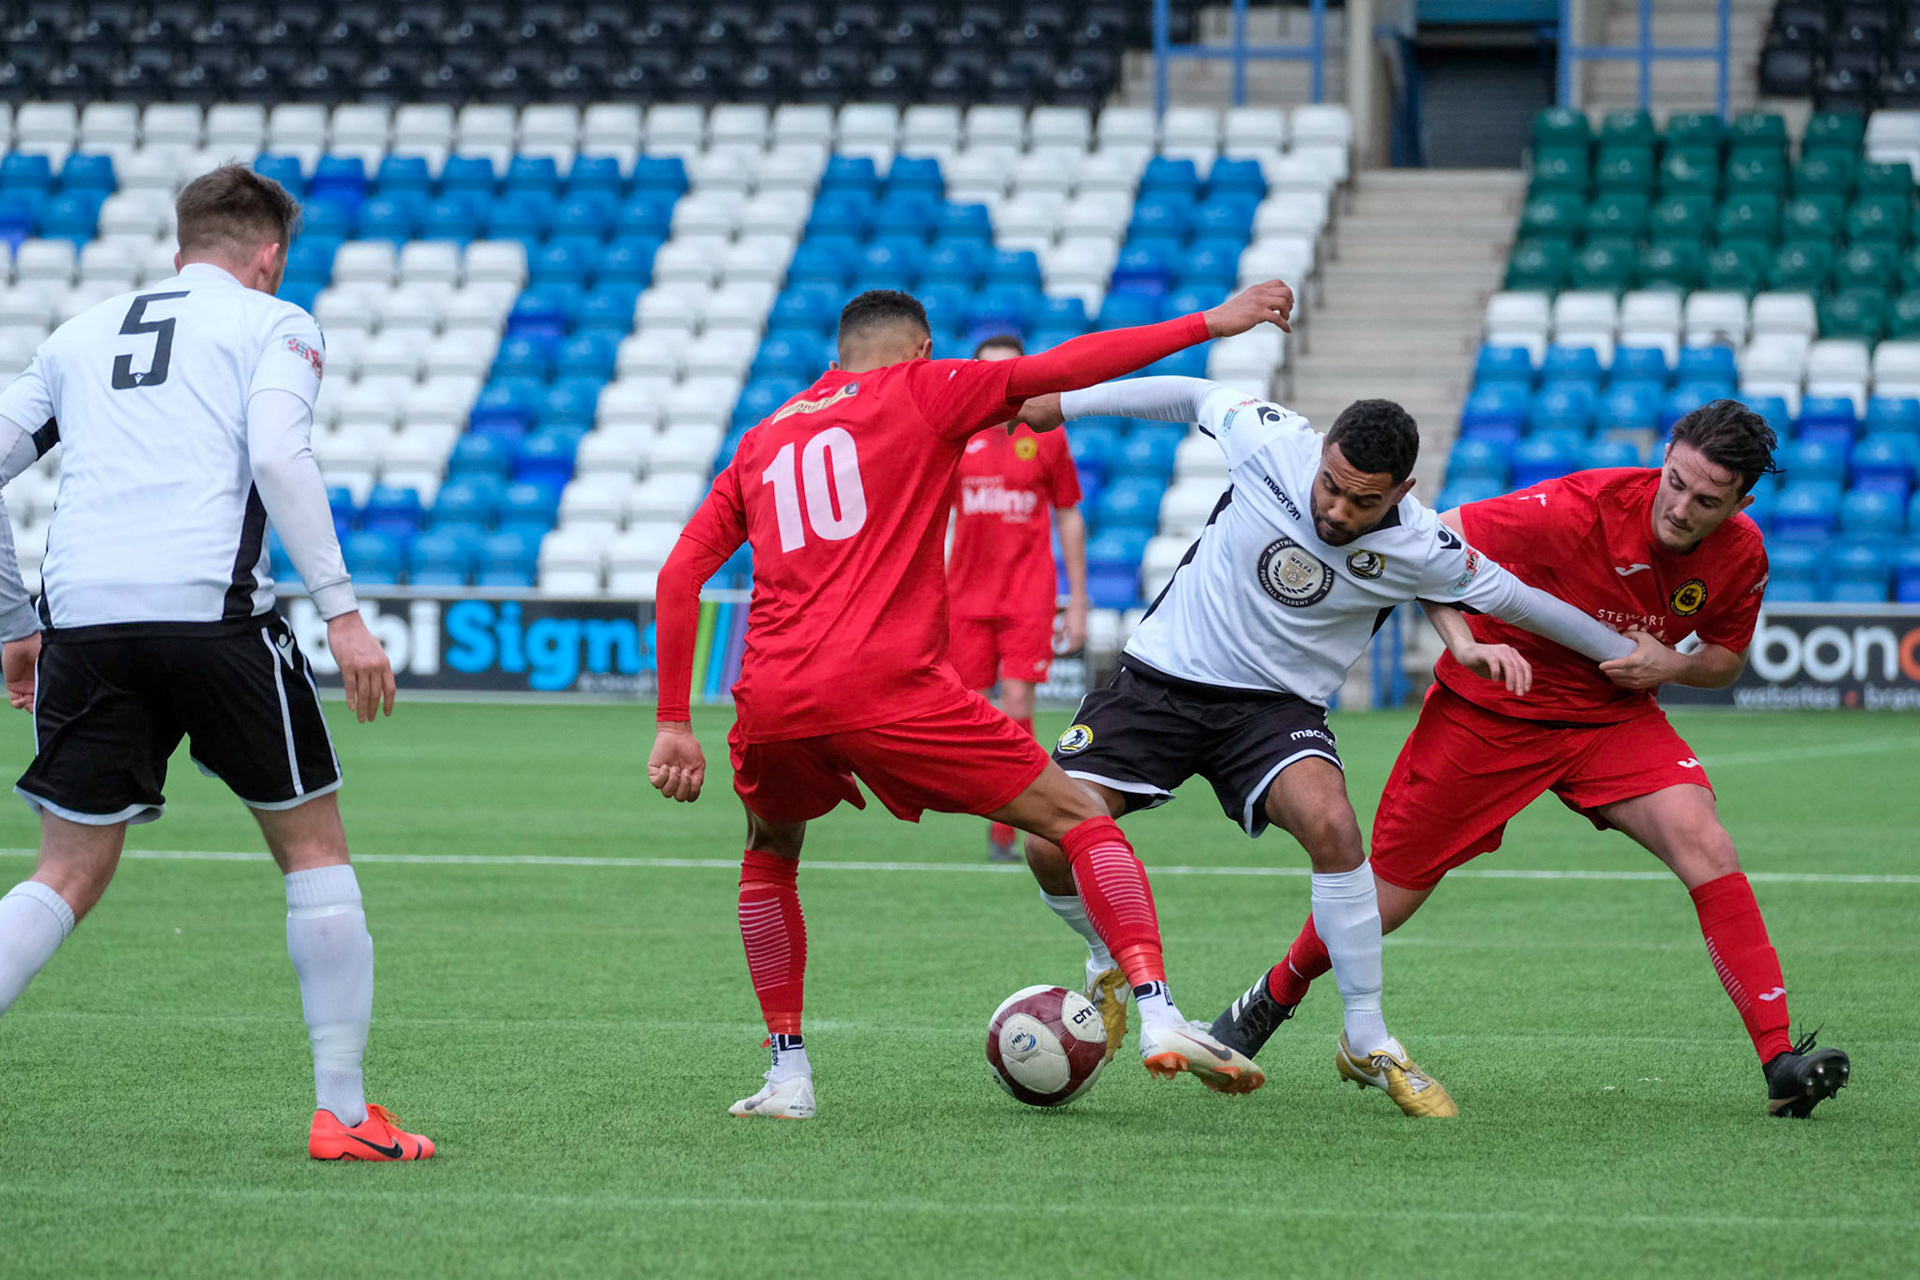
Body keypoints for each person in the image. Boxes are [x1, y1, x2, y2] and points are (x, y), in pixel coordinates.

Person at [647, 284, 1298, 1120]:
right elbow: (1065, 367)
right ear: (919, 349)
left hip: (772, 697)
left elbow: (677, 578)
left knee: (770, 856)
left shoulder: (762, 435)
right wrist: (1210, 323)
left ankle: (788, 1078)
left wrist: (673, 722)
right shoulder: (923, 388)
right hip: (888, 685)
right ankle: (1159, 1013)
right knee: (1078, 818)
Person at [1011, 376, 1636, 1118]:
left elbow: (1520, 601)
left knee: (1335, 827)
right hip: (1160, 681)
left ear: (1401, 490)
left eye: (1361, 501)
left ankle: (1367, 1038)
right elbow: (1188, 393)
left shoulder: (1423, 543)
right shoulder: (1272, 440)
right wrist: (1064, 403)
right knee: (1048, 835)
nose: (1336, 510)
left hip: (1274, 712)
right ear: (1321, 456)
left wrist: (1630, 655)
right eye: (1330, 487)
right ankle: (1109, 962)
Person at [1210, 399, 1851, 1118]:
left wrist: (1669, 663)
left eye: (1706, 501)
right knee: (1383, 898)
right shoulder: (1575, 508)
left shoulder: (1741, 553)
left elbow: (1726, 660)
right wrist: (1464, 643)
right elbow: (1432, 539)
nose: (1680, 508)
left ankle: (1779, 1061)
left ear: (1741, 502)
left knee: (1706, 842)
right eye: (1674, 482)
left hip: (1610, 720)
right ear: (1665, 456)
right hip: (1494, 715)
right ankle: (1277, 993)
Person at [0, 165, 431, 1160]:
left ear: (184, 241)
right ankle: (346, 1113)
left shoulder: (78, 335)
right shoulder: (273, 323)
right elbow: (279, 457)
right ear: (269, 255)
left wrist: (14, 615)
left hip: (86, 624)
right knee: (313, 851)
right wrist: (346, 614)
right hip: (213, 613)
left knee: (65, 870)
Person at [946, 334, 1089, 863]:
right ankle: (1000, 810)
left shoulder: (1047, 436)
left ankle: (1006, 833)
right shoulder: (957, 436)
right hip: (964, 592)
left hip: (1028, 592)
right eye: (990, 371)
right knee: (971, 710)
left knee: (1016, 705)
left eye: (1011, 371)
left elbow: (1069, 513)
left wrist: (1077, 600)